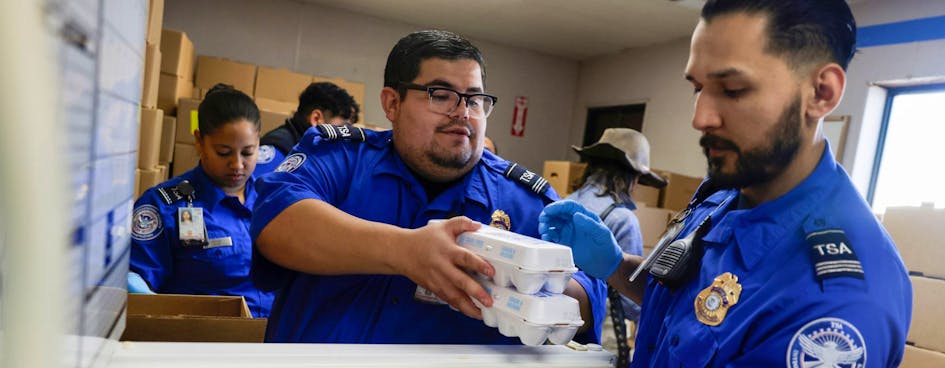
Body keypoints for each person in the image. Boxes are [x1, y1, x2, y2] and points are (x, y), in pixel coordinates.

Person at [540, 1, 912, 368]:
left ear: (823, 93)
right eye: (697, 88)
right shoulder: (724, 192)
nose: (700, 117)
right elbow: (687, 306)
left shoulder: (839, 292)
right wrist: (614, 265)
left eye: (732, 91)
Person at [250, 29, 605, 344]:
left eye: (475, 99)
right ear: (392, 103)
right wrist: (405, 252)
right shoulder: (341, 158)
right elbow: (276, 224)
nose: (463, 112)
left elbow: (587, 298)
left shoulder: (523, 199)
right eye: (441, 95)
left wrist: (522, 287)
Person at [130, 84, 274, 318]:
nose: (237, 165)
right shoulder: (163, 206)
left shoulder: (274, 201)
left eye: (248, 152)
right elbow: (139, 285)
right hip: (204, 343)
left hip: (275, 343)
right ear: (199, 141)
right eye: (224, 152)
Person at [567, 128, 668, 368]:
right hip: (598, 339)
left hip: (559, 329)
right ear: (631, 177)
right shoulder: (622, 218)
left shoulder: (564, 202)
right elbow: (632, 299)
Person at [254, 82, 360, 176]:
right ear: (316, 118)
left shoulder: (307, 152)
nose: (347, 134)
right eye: (344, 127)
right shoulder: (278, 152)